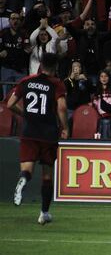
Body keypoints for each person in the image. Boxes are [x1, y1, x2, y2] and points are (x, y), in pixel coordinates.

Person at [7, 53, 68, 225]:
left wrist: (25, 115)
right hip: (48, 132)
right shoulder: (56, 83)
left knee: (27, 168)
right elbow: (62, 107)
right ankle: (44, 213)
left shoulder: (26, 81)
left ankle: (24, 178)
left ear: (40, 65)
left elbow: (10, 104)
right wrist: (65, 128)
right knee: (47, 175)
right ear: (55, 66)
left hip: (28, 131)